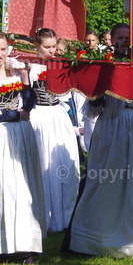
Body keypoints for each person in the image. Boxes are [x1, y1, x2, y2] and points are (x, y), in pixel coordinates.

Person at [64, 53, 133, 258]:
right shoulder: (103, 67)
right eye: (119, 38)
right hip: (110, 125)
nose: (122, 42)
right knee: (105, 177)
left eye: (125, 39)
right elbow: (93, 108)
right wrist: (99, 91)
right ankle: (98, 233)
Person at [0, 30, 48, 262]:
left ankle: (25, 246)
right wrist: (17, 115)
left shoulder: (15, 70)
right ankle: (0, 247)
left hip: (21, 135)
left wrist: (24, 76)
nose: (0, 54)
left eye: (3, 49)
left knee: (24, 188)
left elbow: (30, 103)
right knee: (5, 189)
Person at [27, 28, 80, 232]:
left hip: (57, 115)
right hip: (39, 115)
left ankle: (66, 214)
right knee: (43, 161)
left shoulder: (59, 63)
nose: (51, 51)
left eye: (53, 46)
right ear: (37, 45)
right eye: (46, 47)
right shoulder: (30, 66)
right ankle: (45, 214)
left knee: (63, 162)